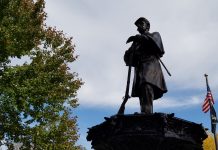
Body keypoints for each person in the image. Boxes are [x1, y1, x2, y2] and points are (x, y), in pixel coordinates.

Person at [124, 17, 167, 113]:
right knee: (142, 91)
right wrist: (128, 54)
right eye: (137, 26)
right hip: (140, 68)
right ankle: (144, 112)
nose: (138, 27)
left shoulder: (155, 35)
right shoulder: (136, 43)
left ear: (147, 26)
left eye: (140, 24)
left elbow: (155, 44)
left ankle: (147, 114)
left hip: (151, 66)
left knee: (146, 85)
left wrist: (137, 38)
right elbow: (128, 60)